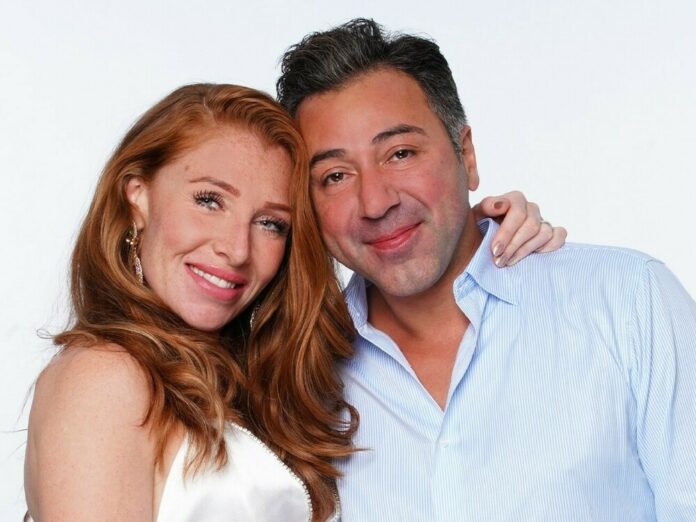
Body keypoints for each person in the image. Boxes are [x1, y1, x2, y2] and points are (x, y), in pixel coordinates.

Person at [23, 83, 562, 521]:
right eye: (209, 200)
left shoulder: (249, 383)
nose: (237, 249)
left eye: (270, 223)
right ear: (136, 196)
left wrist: (475, 234)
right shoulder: (104, 377)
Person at [276, 18, 696, 521]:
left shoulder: (630, 301)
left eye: (400, 153)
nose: (375, 202)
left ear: (467, 156)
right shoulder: (294, 380)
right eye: (335, 176)